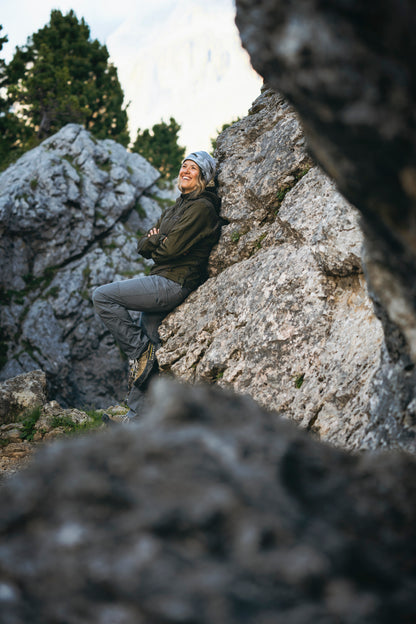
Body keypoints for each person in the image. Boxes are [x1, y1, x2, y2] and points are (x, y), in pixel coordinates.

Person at [93, 151, 221, 424]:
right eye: (183, 165)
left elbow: (169, 250)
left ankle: (140, 353)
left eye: (193, 167)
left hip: (173, 282)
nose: (185, 170)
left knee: (102, 296)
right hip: (163, 278)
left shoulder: (202, 208)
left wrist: (159, 241)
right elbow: (143, 245)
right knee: (150, 358)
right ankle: (137, 423)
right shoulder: (177, 207)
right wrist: (156, 241)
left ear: (205, 176)